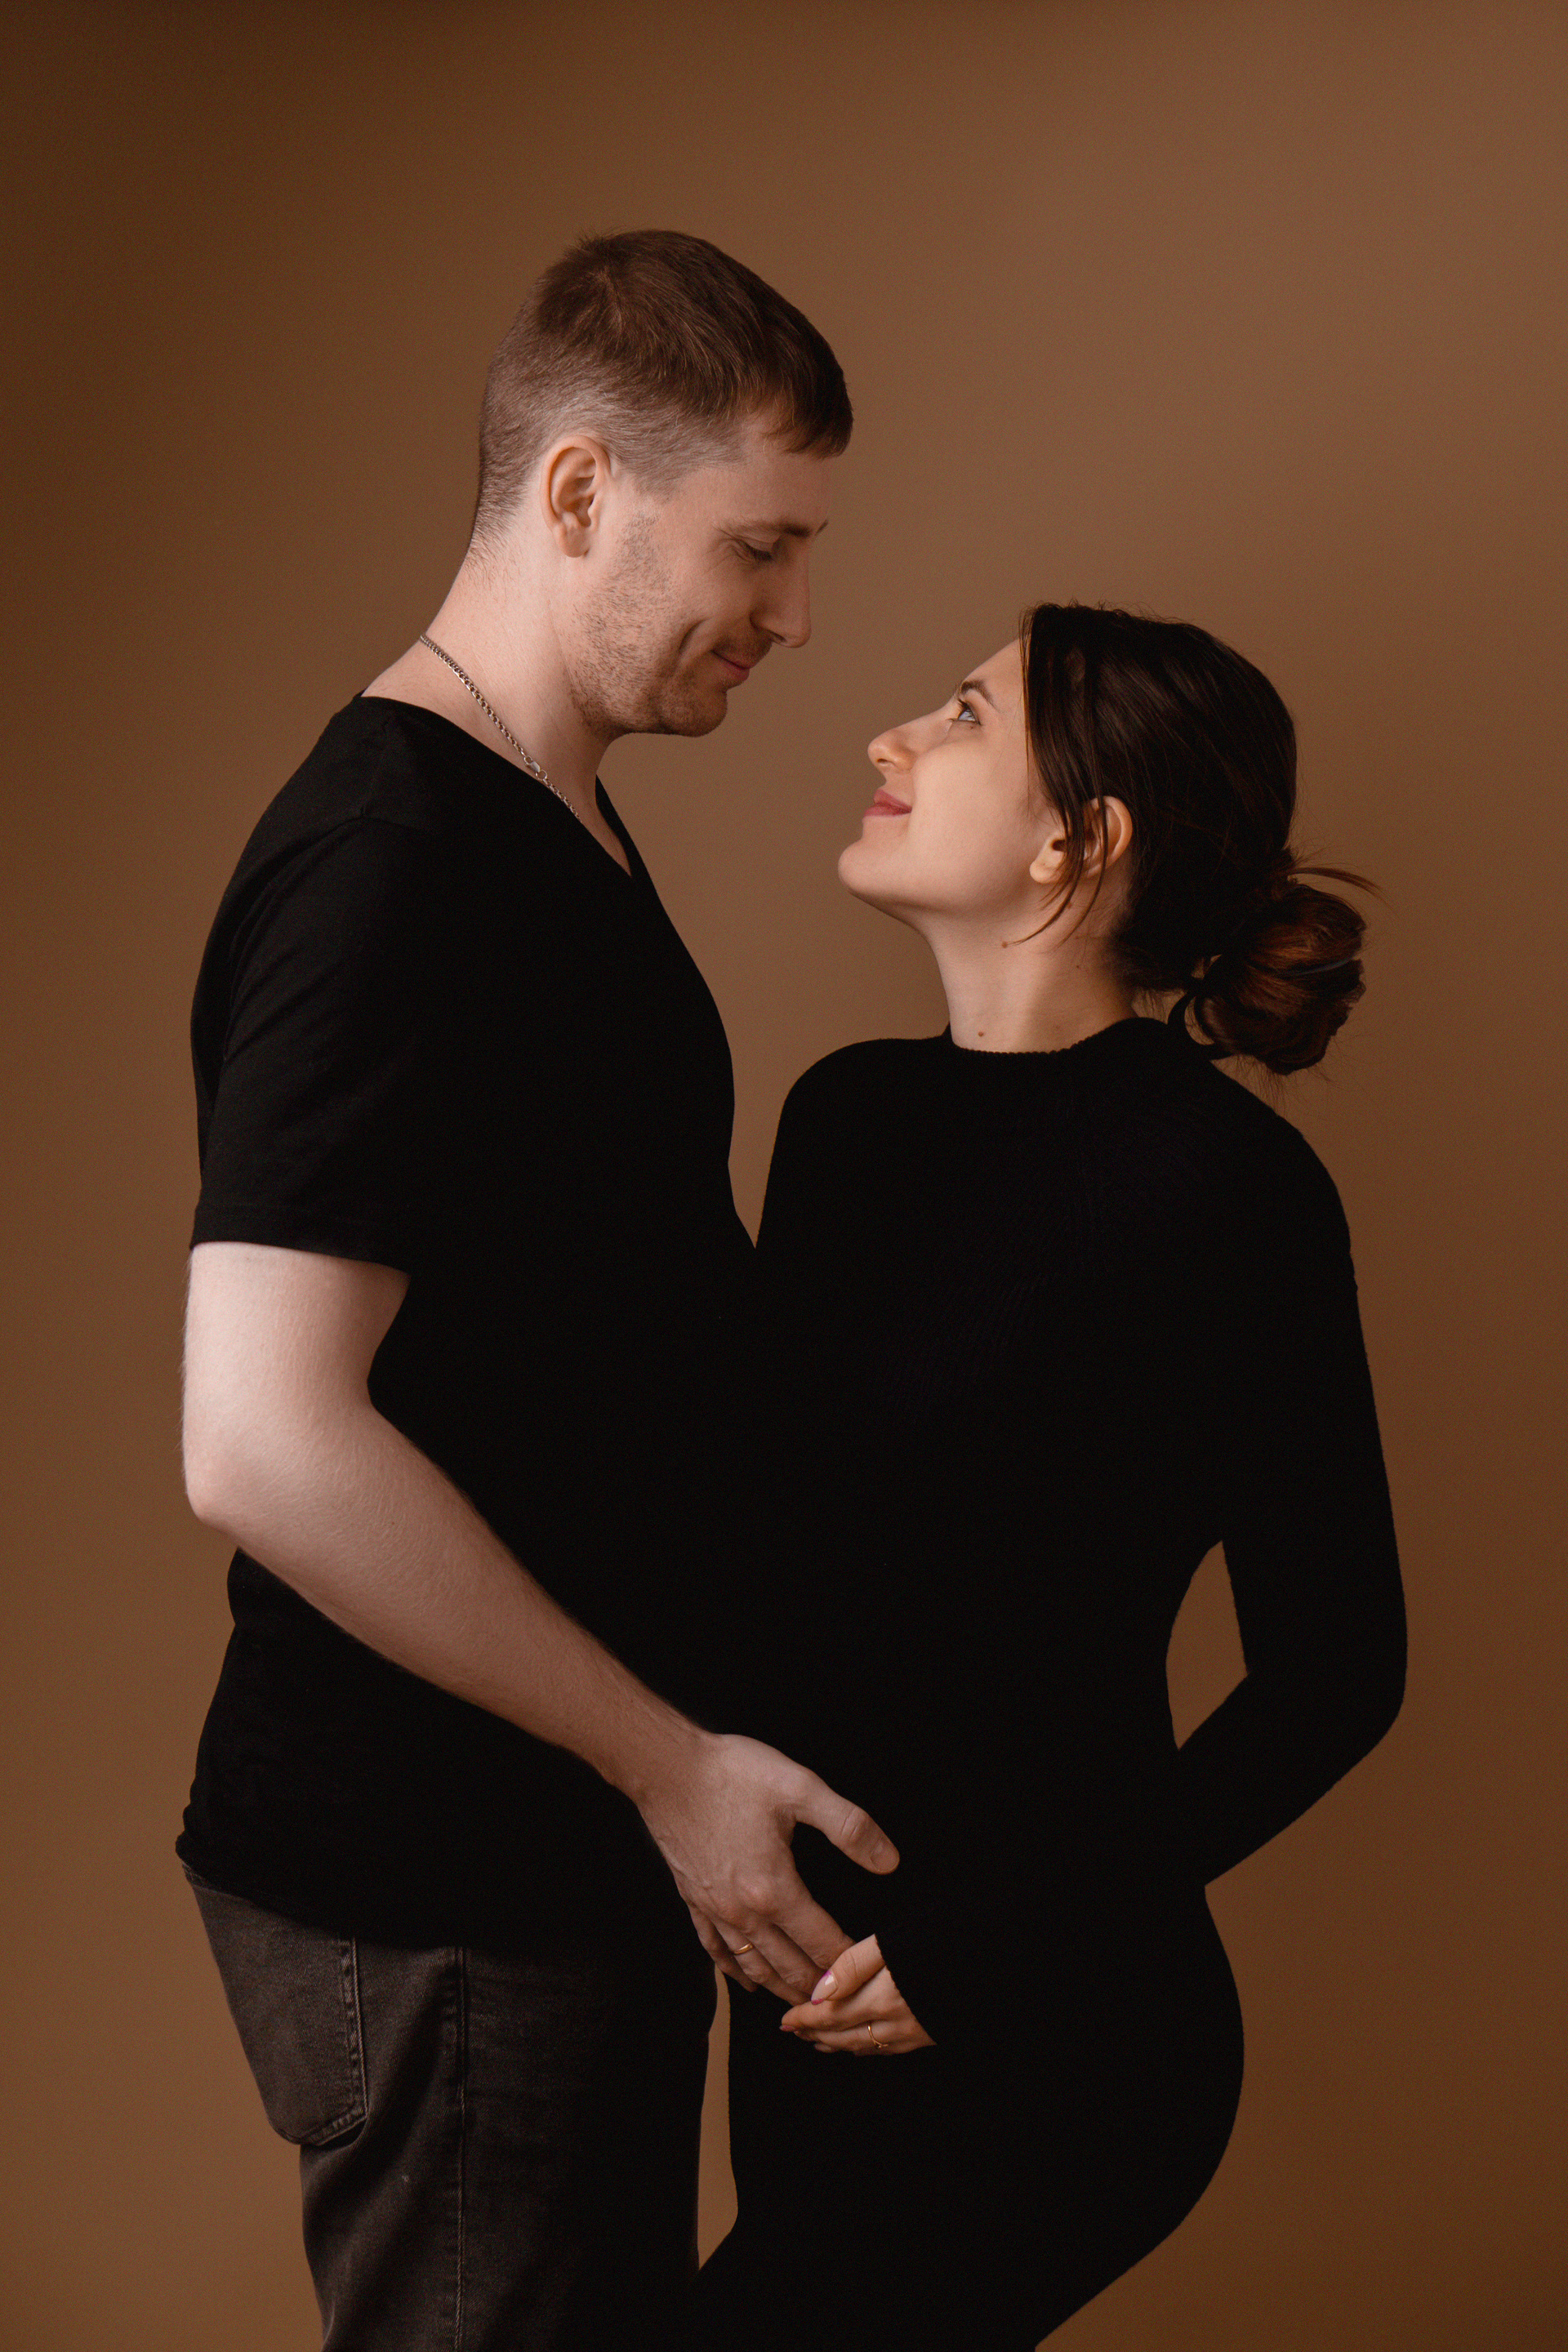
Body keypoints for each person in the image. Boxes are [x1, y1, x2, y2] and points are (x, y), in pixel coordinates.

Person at [176, 230, 900, 2352]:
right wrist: (667, 1765)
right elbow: (261, 1437)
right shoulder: (389, 862)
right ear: (581, 491)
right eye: (759, 547)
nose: (793, 615)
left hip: (553, 1857)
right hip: (443, 1883)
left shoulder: (539, 811)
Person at [692, 603, 1407, 2349]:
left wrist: (1002, 1944)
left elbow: (1339, 1671)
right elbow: (784, 1551)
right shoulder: (843, 1118)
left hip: (1058, 2030)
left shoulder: (1228, 1192)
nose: (889, 738)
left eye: (960, 715)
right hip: (803, 2004)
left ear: (1080, 839)